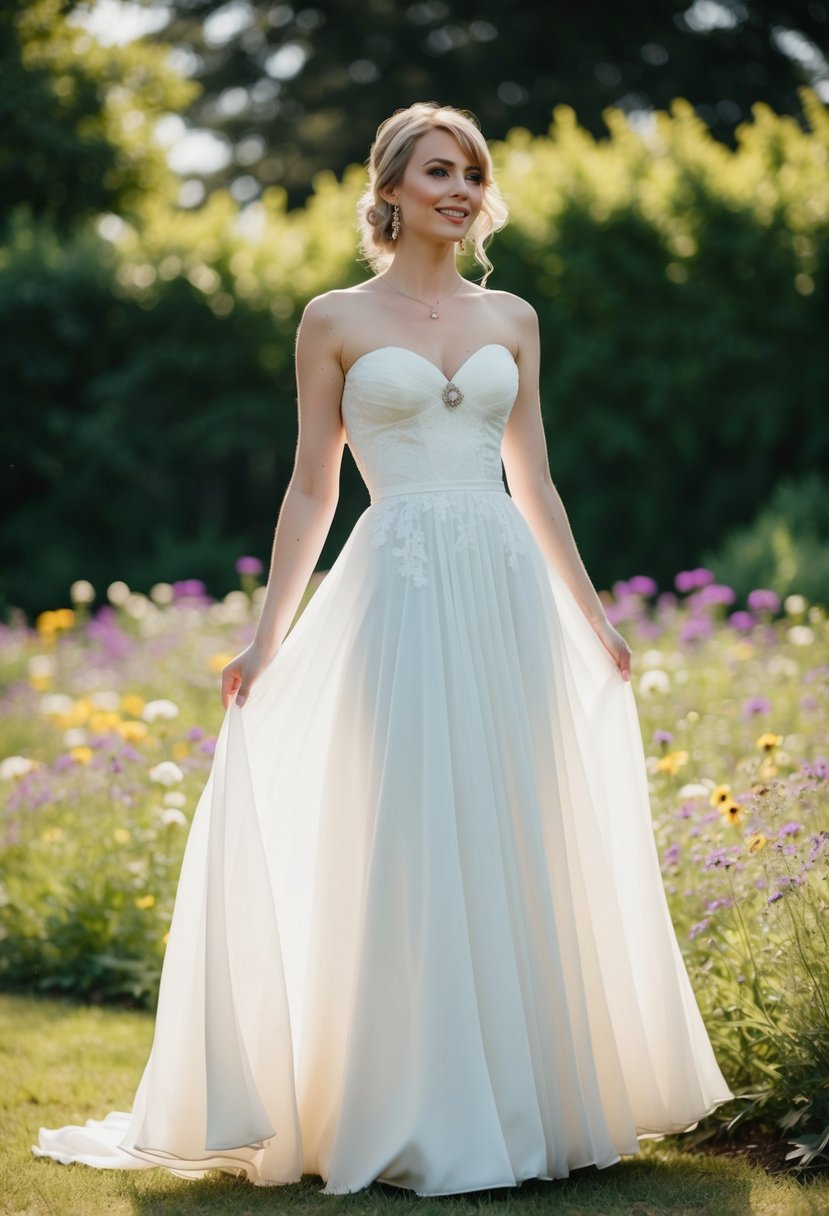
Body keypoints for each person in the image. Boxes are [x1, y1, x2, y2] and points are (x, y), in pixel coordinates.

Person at [34, 101, 733, 1196]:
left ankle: (522, 1109)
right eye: (438, 170)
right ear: (391, 189)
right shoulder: (333, 319)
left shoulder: (515, 316)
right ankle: (403, 1107)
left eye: (472, 173)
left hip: (501, 590)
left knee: (510, 826)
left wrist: (591, 615)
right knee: (406, 834)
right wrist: (268, 637)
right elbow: (314, 484)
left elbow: (535, 479)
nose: (460, 188)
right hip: (394, 593)